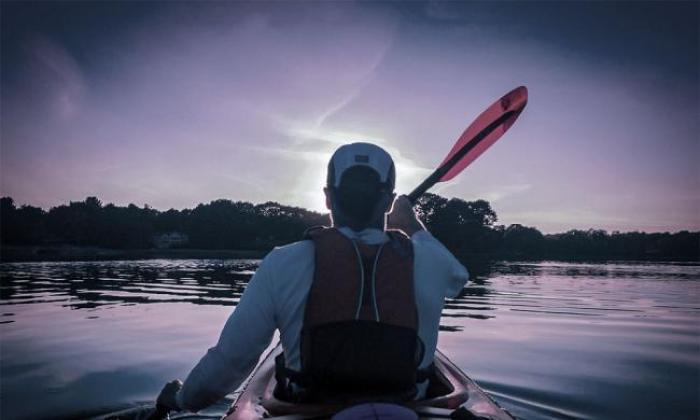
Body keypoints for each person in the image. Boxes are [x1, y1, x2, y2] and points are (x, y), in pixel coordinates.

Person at [156, 142, 469, 411]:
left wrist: (182, 400)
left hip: (307, 407)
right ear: (387, 201)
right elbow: (458, 278)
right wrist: (412, 224)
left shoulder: (283, 262)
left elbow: (230, 363)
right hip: (409, 408)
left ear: (328, 198)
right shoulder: (430, 261)